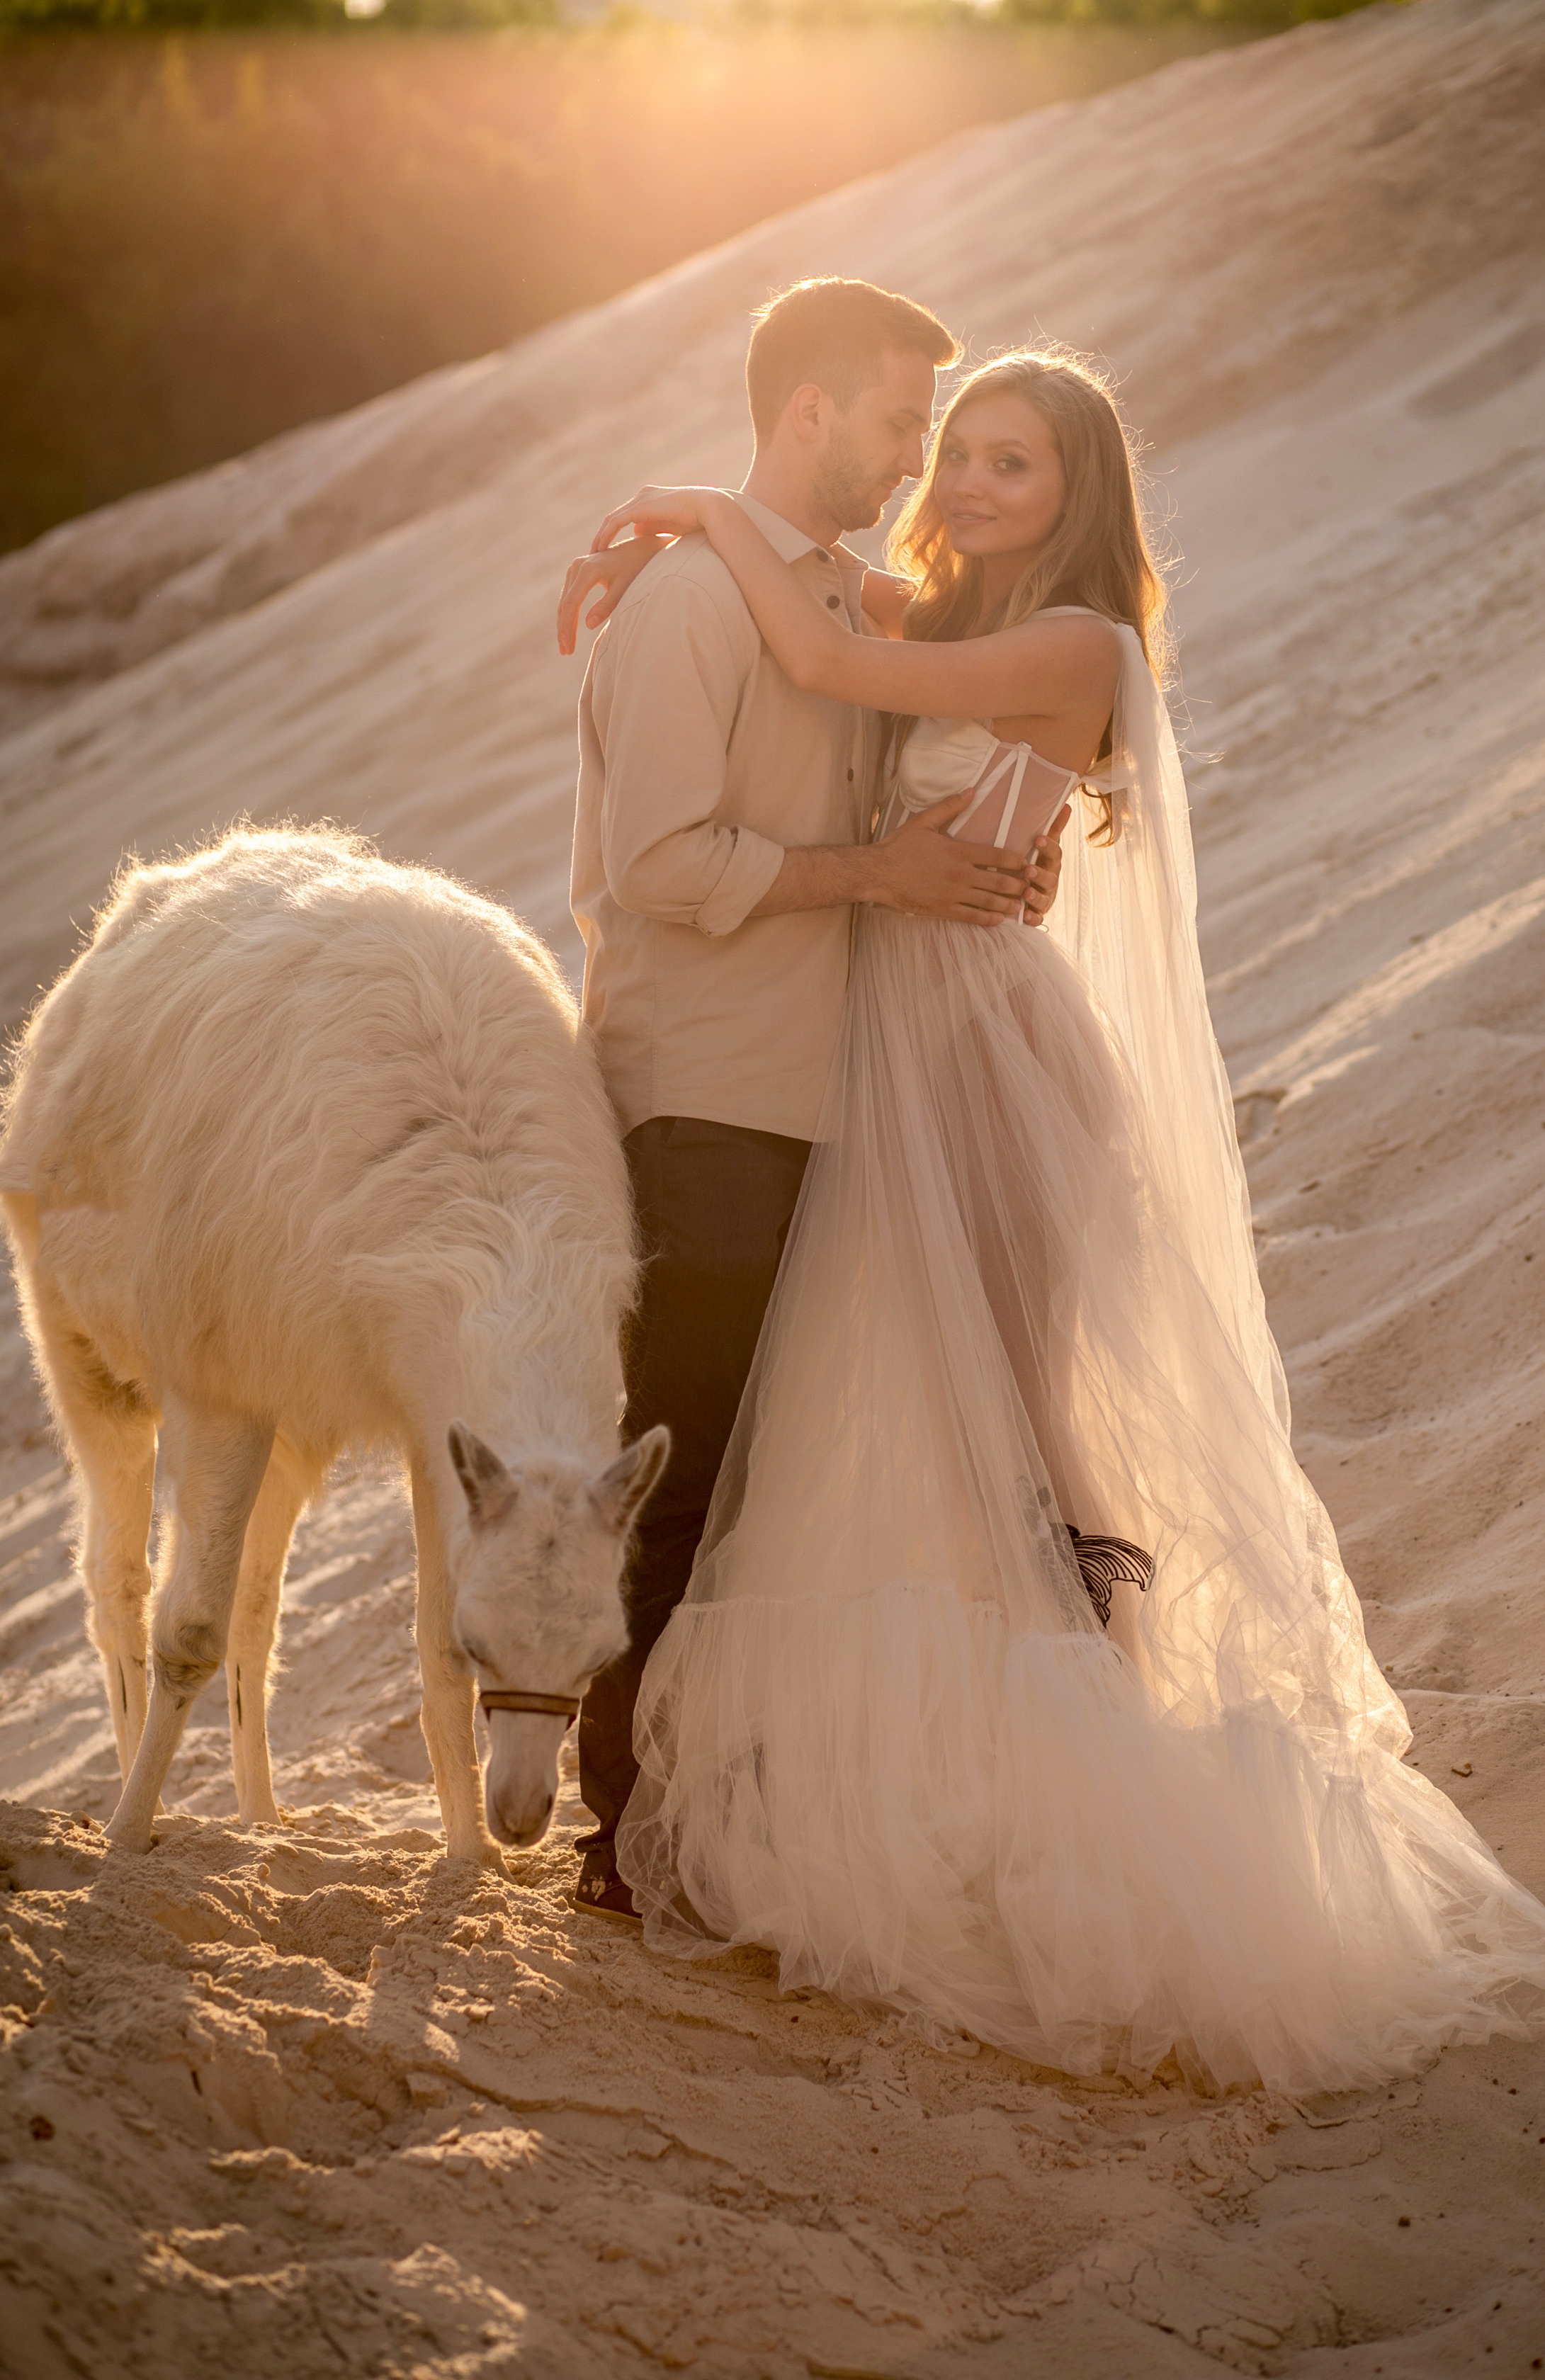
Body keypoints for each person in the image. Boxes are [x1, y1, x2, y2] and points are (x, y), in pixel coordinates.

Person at [559, 346, 1545, 2090]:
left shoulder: (1076, 647)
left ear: (1079, 493)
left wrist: (704, 504)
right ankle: (887, 1796)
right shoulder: (935, 609)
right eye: (950, 453)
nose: (962, 485)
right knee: (898, 1442)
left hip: (989, 1067)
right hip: (881, 1059)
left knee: (1028, 1454)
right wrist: (677, 555)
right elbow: (824, 612)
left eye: (1008, 464)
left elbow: (829, 653)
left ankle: (1088, 1834)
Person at [563, 280, 1069, 1922]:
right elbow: (653, 862)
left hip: (832, 1096)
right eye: (899, 424)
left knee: (771, 1489)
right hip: (705, 1090)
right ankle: (621, 1839)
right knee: (686, 1475)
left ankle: (717, 1819)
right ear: (808, 416)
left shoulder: (841, 603)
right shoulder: (690, 610)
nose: (913, 459)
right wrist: (880, 872)